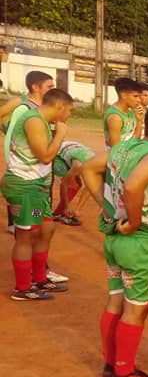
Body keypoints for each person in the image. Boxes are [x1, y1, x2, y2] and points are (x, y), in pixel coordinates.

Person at [82, 102, 148, 377]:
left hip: (113, 240)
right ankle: (124, 373)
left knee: (116, 301)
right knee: (136, 309)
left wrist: (106, 207)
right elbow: (132, 187)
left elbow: (89, 168)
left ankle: (111, 364)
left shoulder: (123, 149)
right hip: (140, 243)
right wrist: (135, 219)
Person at [2, 89, 74, 300]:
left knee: (45, 230)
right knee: (26, 235)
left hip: (37, 189)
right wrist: (60, 134)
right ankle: (23, 288)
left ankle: (40, 278)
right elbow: (44, 156)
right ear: (60, 106)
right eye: (69, 110)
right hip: (24, 187)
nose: (69, 115)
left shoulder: (41, 121)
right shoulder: (33, 121)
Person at [1, 71, 55, 236]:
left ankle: (34, 219)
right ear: (35, 87)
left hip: (40, 160)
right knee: (24, 190)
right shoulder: (22, 104)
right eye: (49, 86)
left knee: (40, 195)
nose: (52, 89)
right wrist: (8, 133)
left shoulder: (46, 106)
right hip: (25, 161)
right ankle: (18, 223)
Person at [52, 139, 96, 225]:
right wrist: (67, 207)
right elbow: (64, 184)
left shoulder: (96, 168)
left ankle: (59, 212)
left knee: (78, 184)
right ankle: (60, 212)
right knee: (74, 184)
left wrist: (78, 209)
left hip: (73, 148)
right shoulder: (79, 167)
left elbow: (89, 188)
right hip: (58, 154)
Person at [103, 77, 141, 149]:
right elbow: (116, 149)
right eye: (135, 96)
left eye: (139, 97)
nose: (138, 100)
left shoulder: (131, 113)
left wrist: (139, 120)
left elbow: (135, 140)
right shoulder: (115, 118)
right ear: (123, 95)